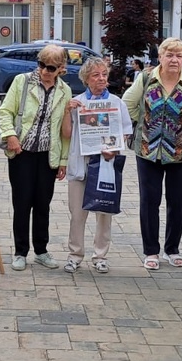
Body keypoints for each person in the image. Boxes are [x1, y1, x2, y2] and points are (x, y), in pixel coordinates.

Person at [123, 37, 182, 271]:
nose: (174, 60)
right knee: (149, 201)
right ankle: (151, 250)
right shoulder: (146, 79)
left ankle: (172, 249)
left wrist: (181, 127)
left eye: (179, 55)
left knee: (177, 202)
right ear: (160, 57)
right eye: (169, 55)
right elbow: (127, 103)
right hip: (148, 150)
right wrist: (144, 122)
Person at [0, 43, 72, 271]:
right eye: (41, 64)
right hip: (22, 152)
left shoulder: (65, 90)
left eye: (51, 67)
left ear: (60, 68)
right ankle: (20, 252)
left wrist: (63, 160)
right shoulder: (22, 81)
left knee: (42, 204)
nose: (44, 71)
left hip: (48, 154)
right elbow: (5, 111)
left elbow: (64, 130)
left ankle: (41, 251)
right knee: (22, 203)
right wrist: (10, 135)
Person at [61, 57, 132, 274]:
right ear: (86, 79)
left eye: (104, 74)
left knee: (104, 212)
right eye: (95, 75)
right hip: (80, 164)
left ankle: (100, 256)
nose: (101, 78)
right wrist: (67, 111)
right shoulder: (77, 102)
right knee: (77, 213)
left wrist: (114, 149)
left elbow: (125, 131)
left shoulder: (116, 103)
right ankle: (75, 255)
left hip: (105, 164)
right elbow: (66, 134)